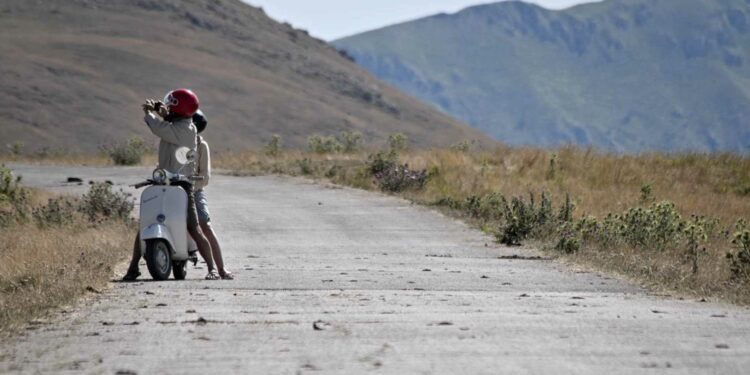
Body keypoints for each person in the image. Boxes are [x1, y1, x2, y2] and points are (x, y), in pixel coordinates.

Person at [122, 89, 220, 281]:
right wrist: (163, 113)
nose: (168, 108)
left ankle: (212, 268)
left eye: (171, 105)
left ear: (179, 108)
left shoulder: (184, 129)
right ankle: (133, 267)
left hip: (181, 185)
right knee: (145, 224)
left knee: (194, 227)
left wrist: (149, 113)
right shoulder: (181, 124)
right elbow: (168, 124)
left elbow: (160, 128)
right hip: (163, 182)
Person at [192, 110, 233, 279]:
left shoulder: (201, 146)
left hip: (193, 191)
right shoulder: (171, 143)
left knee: (205, 224)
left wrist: (191, 185)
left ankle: (221, 269)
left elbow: (205, 177)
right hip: (171, 190)